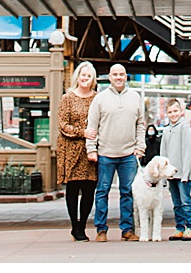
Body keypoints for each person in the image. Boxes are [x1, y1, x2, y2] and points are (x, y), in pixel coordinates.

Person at [85, 63, 146, 241]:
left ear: (126, 76)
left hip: (129, 154)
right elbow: (92, 126)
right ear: (110, 77)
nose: (118, 77)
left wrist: (139, 148)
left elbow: (140, 125)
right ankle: (101, 230)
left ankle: (127, 230)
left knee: (127, 192)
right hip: (105, 153)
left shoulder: (135, 97)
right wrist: (92, 149)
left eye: (122, 74)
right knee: (102, 191)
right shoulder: (100, 99)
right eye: (115, 74)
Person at [55, 61, 100, 240]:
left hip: (90, 150)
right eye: (83, 75)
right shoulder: (68, 98)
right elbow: (62, 124)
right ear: (77, 77)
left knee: (89, 189)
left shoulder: (97, 98)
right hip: (70, 149)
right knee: (73, 189)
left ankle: (82, 224)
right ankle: (75, 225)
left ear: (93, 79)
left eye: (89, 76)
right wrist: (82, 132)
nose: (85, 79)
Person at [158, 99, 191, 239]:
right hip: (171, 174)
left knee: (185, 201)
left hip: (183, 174)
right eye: (170, 112)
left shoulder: (184, 127)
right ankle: (179, 227)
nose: (173, 114)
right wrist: (163, 175)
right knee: (176, 203)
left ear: (181, 111)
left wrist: (186, 173)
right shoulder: (166, 130)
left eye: (175, 111)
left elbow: (188, 151)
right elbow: (163, 153)